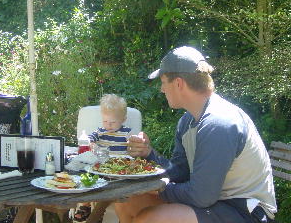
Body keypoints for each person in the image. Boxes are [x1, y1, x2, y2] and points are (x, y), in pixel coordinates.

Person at [115, 46, 277, 223]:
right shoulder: (187, 121)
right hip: (214, 203)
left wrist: (158, 188)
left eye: (163, 82)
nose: (162, 89)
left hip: (244, 211)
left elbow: (202, 196)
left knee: (150, 219)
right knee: (128, 202)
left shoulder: (219, 123)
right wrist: (148, 154)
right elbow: (181, 172)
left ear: (178, 83)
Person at [73, 94, 132, 223]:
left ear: (123, 119)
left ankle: (103, 208)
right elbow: (90, 138)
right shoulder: (101, 131)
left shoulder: (127, 133)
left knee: (119, 185)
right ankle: (85, 205)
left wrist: (132, 145)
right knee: (88, 179)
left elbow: (133, 145)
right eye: (105, 121)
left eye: (112, 122)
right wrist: (91, 143)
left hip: (118, 169)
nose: (108, 125)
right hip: (101, 167)